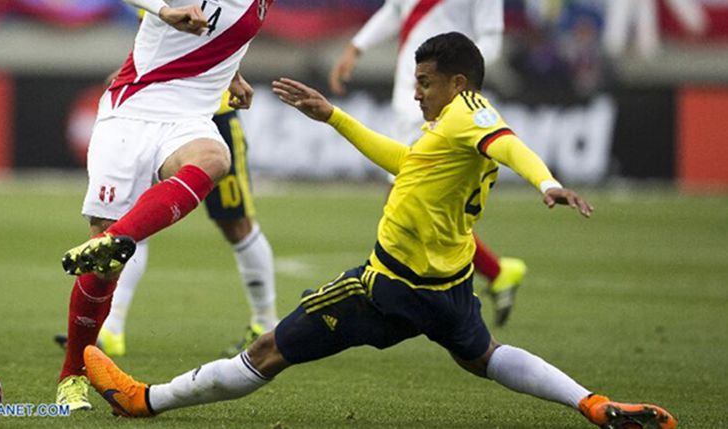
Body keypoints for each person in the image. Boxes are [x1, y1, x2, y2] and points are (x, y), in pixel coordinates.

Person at [81, 32, 677, 429]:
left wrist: (547, 183)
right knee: (484, 356)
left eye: (426, 82)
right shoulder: (454, 125)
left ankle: (143, 401)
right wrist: (334, 116)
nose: (416, 91)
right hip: (449, 286)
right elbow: (408, 162)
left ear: (459, 82)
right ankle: (593, 404)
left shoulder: (470, 116)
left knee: (267, 352)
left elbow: (511, 146)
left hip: (386, 286)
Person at [55, 0, 282, 411]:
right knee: (100, 272)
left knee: (214, 156)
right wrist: (165, 11)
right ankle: (72, 375)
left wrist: (232, 75)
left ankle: (123, 237)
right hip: (131, 111)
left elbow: (229, 34)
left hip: (187, 118)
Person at [329, 0, 523, 326]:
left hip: (444, 104)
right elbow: (395, 10)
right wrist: (356, 48)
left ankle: (396, 285)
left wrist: (462, 76)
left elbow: (492, 41)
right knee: (411, 193)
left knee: (410, 192)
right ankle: (494, 272)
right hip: (407, 91)